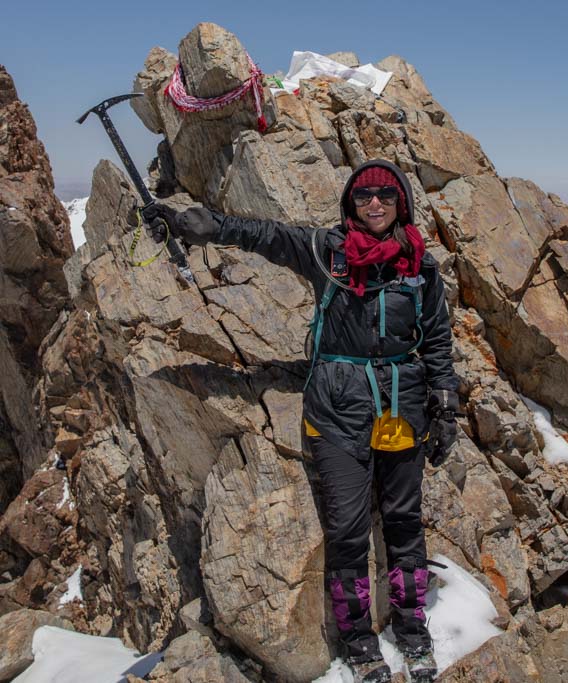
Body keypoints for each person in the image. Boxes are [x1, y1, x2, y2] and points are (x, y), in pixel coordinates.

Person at [146, 160, 459, 683]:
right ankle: (359, 643)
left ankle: (412, 631)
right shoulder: (326, 252)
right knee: (347, 530)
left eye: (384, 195)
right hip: (337, 409)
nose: (374, 204)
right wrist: (192, 223)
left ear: (400, 201)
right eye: (363, 197)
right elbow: (263, 234)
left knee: (404, 523)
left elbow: (438, 341)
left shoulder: (419, 268)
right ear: (350, 205)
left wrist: (445, 406)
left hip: (403, 403)